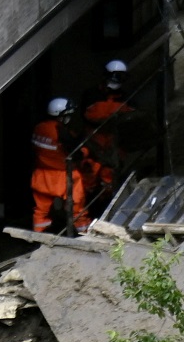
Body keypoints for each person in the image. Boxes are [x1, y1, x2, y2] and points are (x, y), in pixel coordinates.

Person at [31, 98, 90, 234]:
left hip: (41, 175)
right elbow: (75, 153)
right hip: (64, 176)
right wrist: (85, 151)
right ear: (61, 115)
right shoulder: (61, 132)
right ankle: (83, 233)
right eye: (67, 115)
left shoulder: (39, 128)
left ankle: (37, 236)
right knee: (77, 208)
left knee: (40, 211)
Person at [80, 59, 134, 200]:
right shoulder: (91, 94)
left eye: (121, 77)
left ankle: (106, 203)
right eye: (116, 76)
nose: (117, 81)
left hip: (113, 143)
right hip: (94, 142)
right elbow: (92, 115)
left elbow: (132, 116)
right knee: (89, 173)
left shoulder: (126, 97)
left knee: (109, 177)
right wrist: (118, 112)